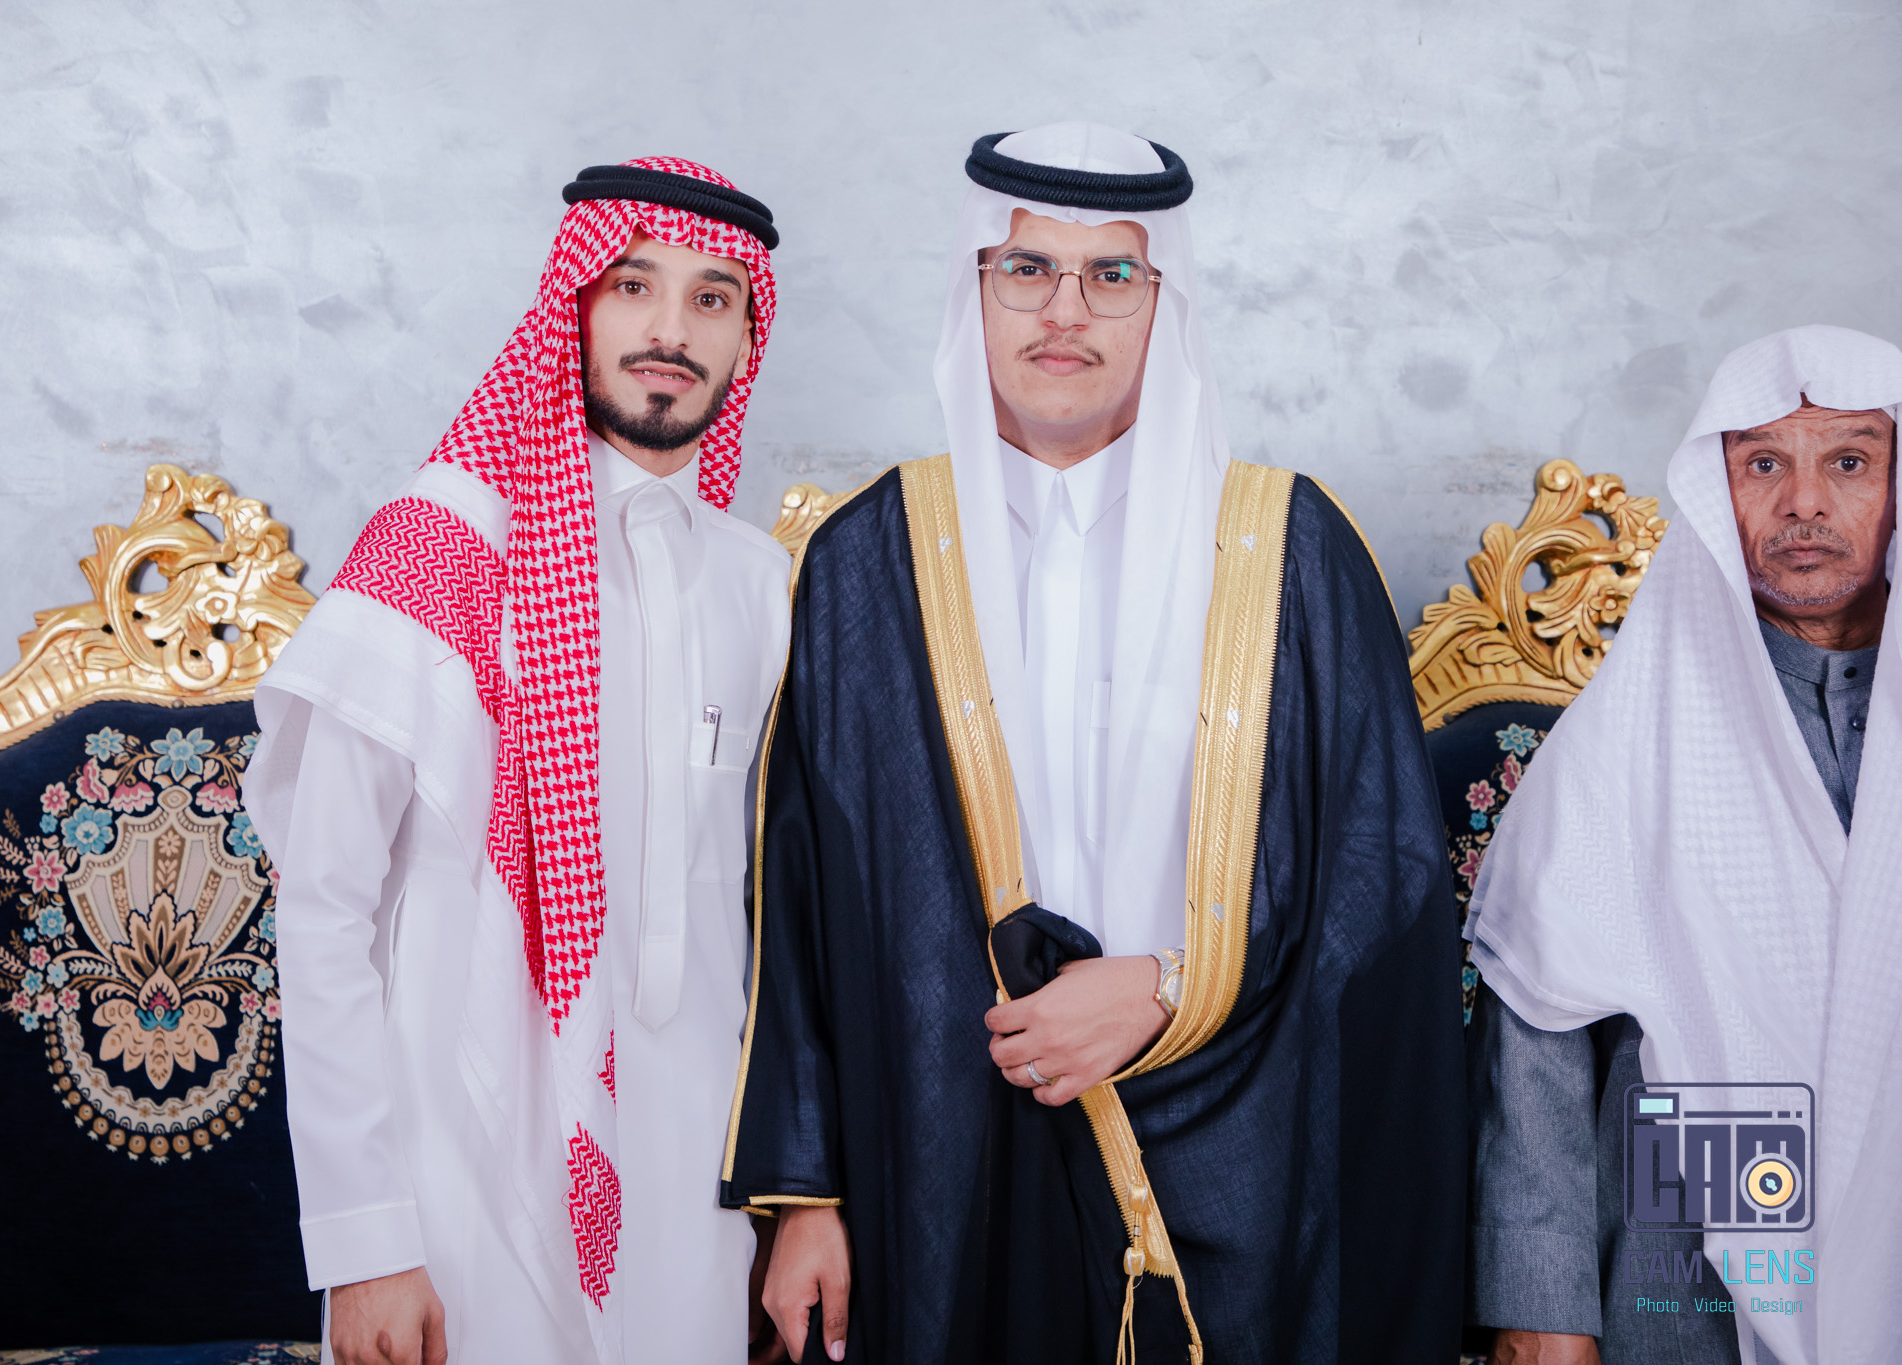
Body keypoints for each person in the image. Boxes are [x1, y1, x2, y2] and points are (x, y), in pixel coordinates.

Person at [720, 122, 1465, 1365]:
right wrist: (806, 1198)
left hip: (1234, 1140)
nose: (1064, 311)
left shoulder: (1289, 548)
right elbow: (796, 904)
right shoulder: (868, 558)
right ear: (974, 291)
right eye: (1025, 269)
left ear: (1162, 303)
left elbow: (1379, 884)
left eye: (1111, 274)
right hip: (940, 1157)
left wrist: (1172, 986)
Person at [242, 158, 792, 1364]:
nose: (669, 329)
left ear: (746, 340)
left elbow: (769, 919)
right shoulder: (434, 557)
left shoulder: (758, 585)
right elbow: (324, 909)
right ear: (571, 306)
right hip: (457, 1173)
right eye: (632, 284)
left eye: (711, 298)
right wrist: (365, 1243)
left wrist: (788, 1201)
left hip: (692, 1183)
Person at [1464, 325, 1902, 1365]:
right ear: (1719, 490)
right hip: (1687, 1257)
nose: (1803, 502)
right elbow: (1536, 1036)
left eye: (1848, 461)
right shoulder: (1627, 732)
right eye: (1763, 464)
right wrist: (1544, 1316)